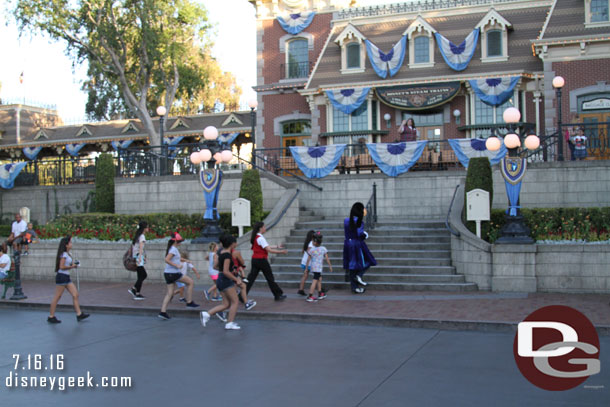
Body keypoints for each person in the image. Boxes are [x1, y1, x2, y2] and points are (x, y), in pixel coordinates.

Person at [200, 235, 243, 330]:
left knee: (226, 304)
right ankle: (229, 323)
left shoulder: (221, 252)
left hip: (220, 279)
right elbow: (226, 271)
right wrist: (236, 279)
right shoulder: (227, 255)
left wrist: (226, 270)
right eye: (235, 242)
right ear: (232, 244)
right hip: (226, 281)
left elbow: (215, 266)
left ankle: (207, 314)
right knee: (235, 302)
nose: (236, 244)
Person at [47, 235, 90, 323]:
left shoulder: (67, 254)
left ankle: (79, 314)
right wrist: (72, 266)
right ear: (66, 245)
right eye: (70, 242)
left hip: (66, 277)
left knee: (75, 294)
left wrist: (73, 265)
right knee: (57, 296)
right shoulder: (64, 254)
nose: (71, 244)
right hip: (62, 276)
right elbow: (61, 266)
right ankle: (51, 316)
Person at [158, 232, 199, 320]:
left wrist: (186, 260)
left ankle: (163, 312)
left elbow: (177, 258)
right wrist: (177, 266)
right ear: (175, 241)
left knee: (169, 293)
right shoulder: (173, 249)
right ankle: (189, 302)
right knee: (190, 282)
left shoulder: (172, 249)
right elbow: (167, 259)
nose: (181, 243)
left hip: (167, 273)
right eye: (179, 241)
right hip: (173, 273)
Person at [245, 222, 287, 301]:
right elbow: (269, 250)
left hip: (255, 259)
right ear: (260, 228)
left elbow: (266, 246)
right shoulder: (260, 238)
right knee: (270, 278)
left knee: (251, 278)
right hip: (261, 260)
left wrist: (277, 246)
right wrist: (281, 252)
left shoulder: (256, 237)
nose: (265, 228)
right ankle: (277, 295)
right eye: (264, 227)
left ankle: (242, 295)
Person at [343, 202, 377, 294]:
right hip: (357, 244)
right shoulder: (359, 221)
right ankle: (359, 275)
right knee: (369, 260)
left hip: (347, 244)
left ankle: (355, 287)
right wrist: (365, 235)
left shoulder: (346, 220)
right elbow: (359, 233)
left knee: (352, 266)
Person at [304, 232, 332, 302]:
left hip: (314, 268)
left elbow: (308, 260)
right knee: (315, 281)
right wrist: (330, 266)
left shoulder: (311, 250)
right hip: (318, 268)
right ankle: (310, 296)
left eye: (313, 240)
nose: (312, 242)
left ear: (315, 242)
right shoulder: (323, 249)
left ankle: (320, 294)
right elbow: (327, 259)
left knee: (319, 279)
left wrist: (306, 268)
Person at [128, 221, 148, 300]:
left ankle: (137, 293)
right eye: (147, 227)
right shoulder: (142, 236)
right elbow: (141, 247)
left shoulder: (138, 236)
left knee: (140, 275)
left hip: (136, 257)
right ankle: (134, 289)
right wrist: (140, 257)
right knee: (144, 275)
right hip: (138, 257)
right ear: (144, 228)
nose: (148, 229)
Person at [298, 230, 315, 296]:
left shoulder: (307, 242)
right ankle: (301, 290)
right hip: (308, 263)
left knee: (306, 276)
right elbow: (309, 253)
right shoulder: (311, 243)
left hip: (306, 262)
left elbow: (303, 251)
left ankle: (301, 289)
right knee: (315, 276)